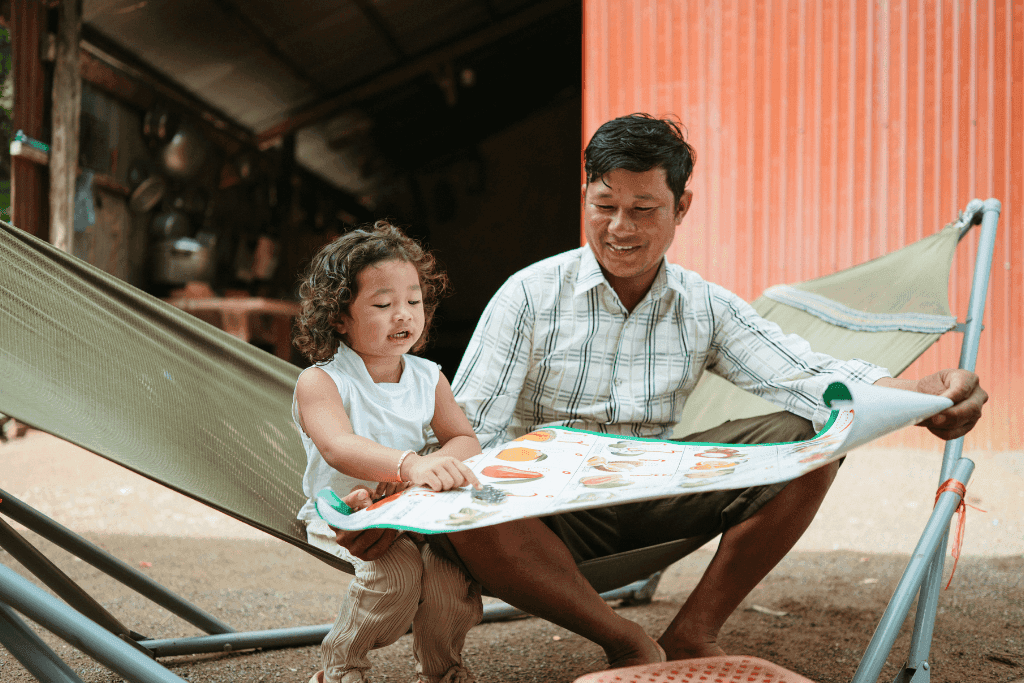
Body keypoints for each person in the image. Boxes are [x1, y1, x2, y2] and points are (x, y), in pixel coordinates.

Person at [334, 114, 987, 670]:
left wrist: (923, 395)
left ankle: (693, 629)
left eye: (644, 208)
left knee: (813, 437)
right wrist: (394, 498)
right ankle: (628, 640)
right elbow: (464, 428)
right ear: (584, 197)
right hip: (542, 518)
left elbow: (804, 373)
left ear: (682, 207)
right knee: (471, 499)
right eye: (604, 206)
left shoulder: (704, 305)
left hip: (651, 496)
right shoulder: (529, 296)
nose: (621, 226)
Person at [292, 220, 485, 683]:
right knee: (395, 579)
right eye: (383, 304)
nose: (404, 315)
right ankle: (340, 666)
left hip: (415, 510)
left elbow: (464, 438)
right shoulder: (322, 381)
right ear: (340, 316)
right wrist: (410, 464)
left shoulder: (427, 376)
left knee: (448, 580)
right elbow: (339, 447)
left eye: (414, 301)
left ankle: (442, 669)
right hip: (349, 515)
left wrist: (441, 461)